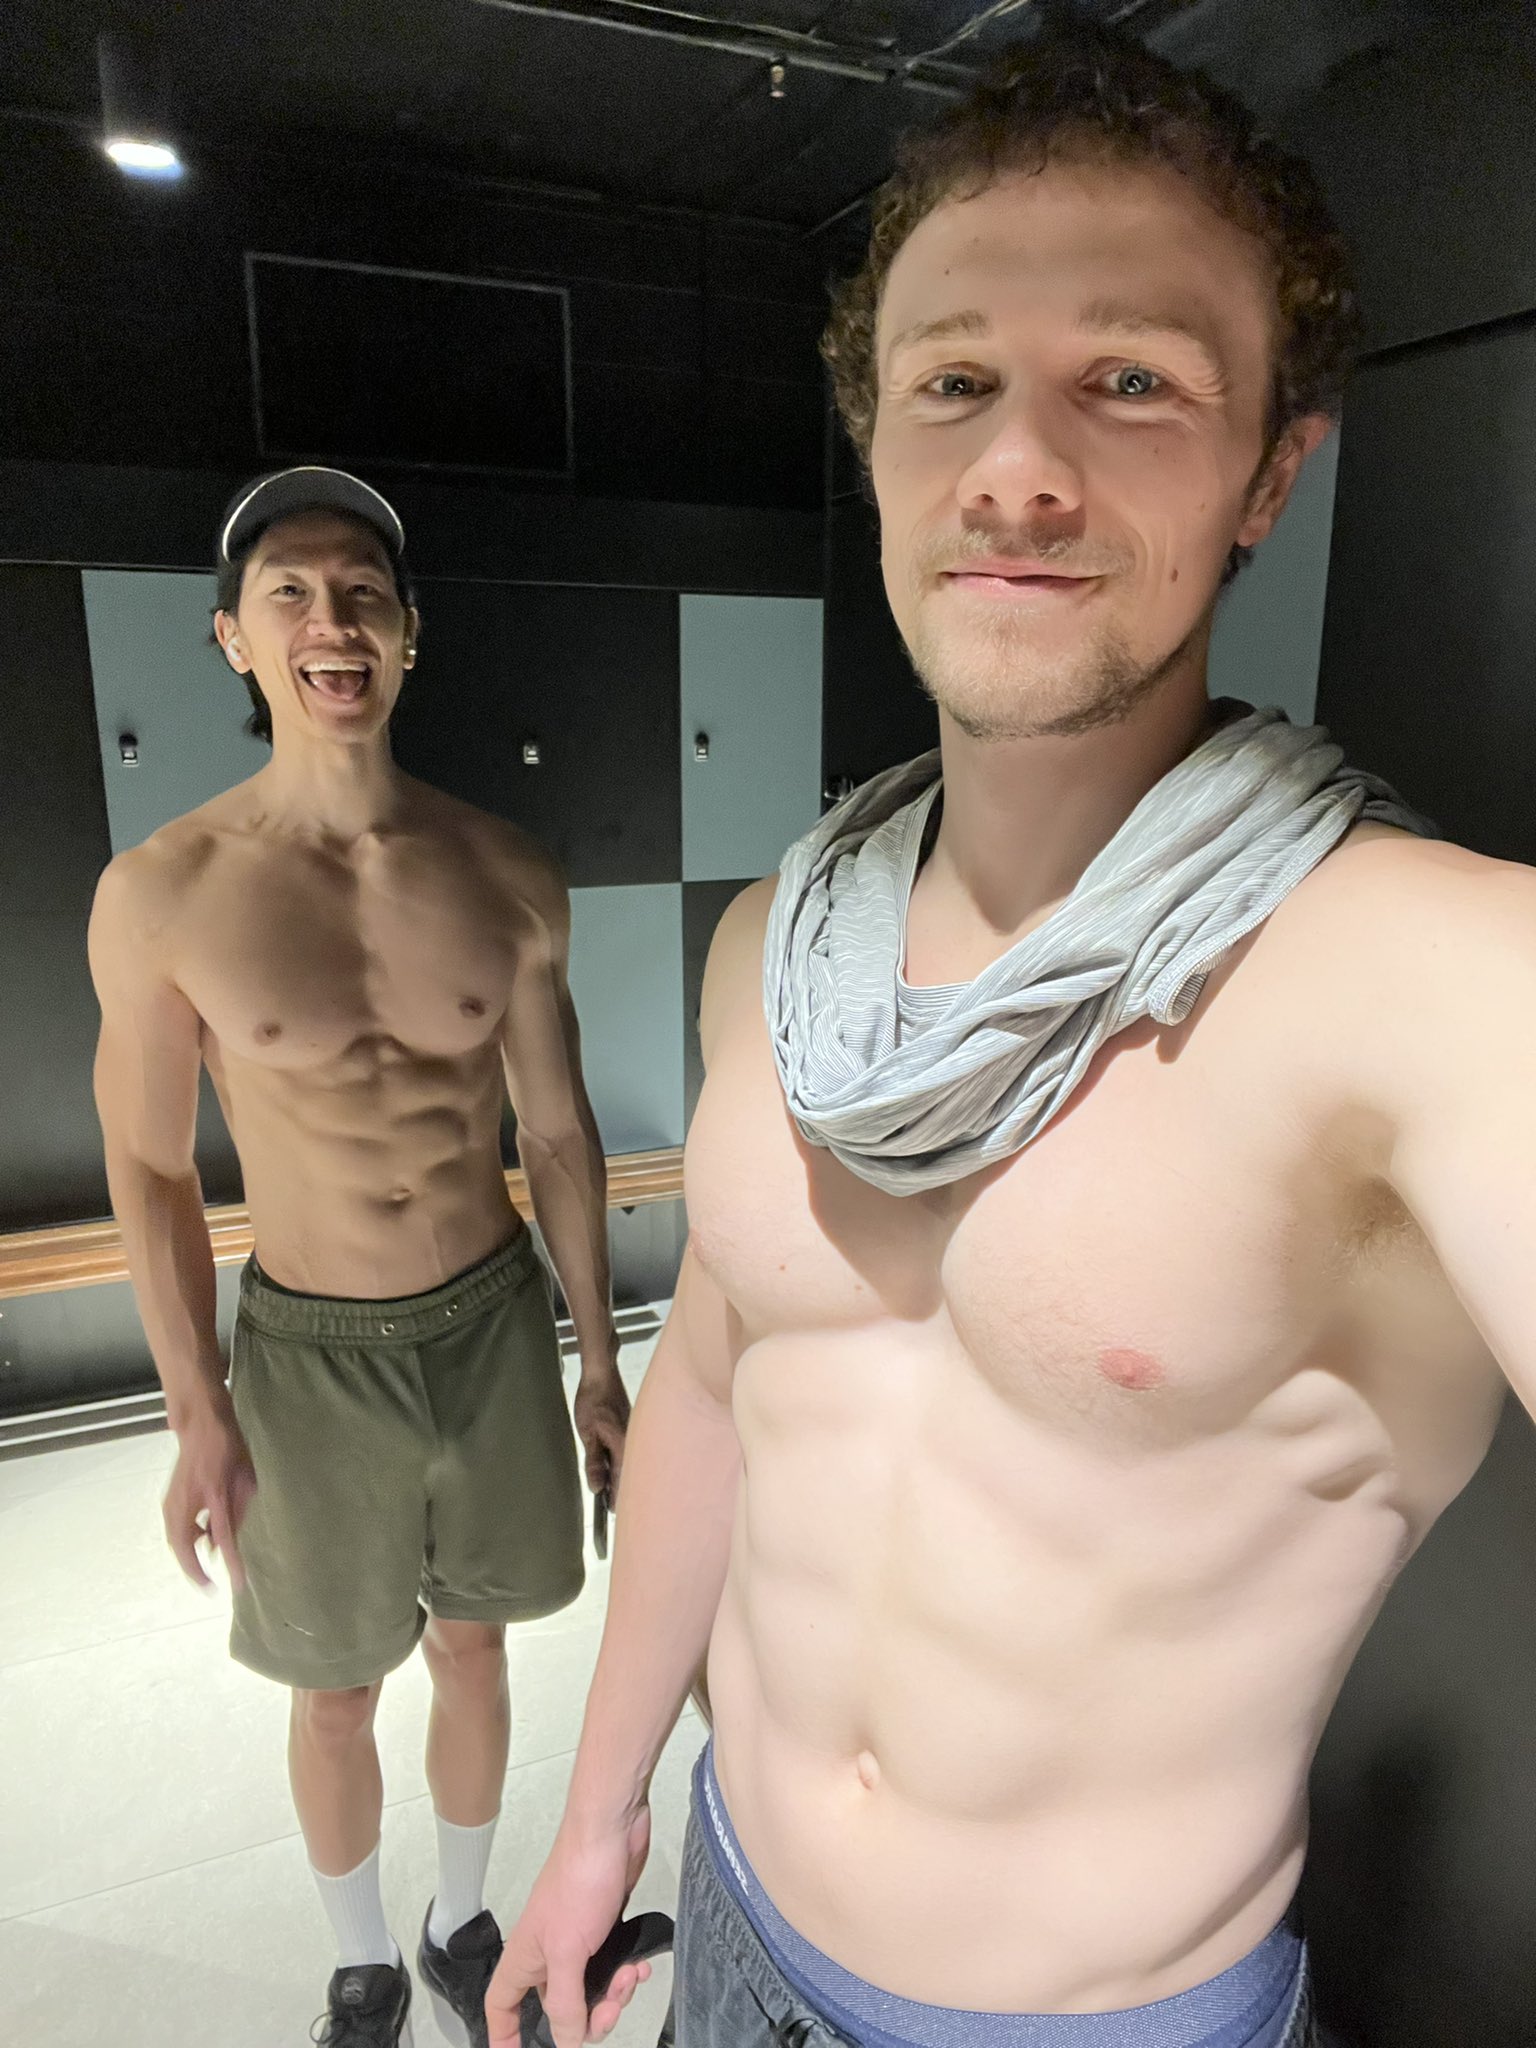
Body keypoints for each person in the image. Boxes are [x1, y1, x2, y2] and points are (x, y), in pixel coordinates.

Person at [485, 22, 1536, 2048]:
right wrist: (597, 1821)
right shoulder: (779, 943)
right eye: (953, 380)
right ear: (874, 436)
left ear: (1272, 469)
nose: (1020, 468)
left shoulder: (1437, 983)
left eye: (1132, 381)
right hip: (726, 1905)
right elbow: (714, 1383)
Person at [88, 467, 632, 2048]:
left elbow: (559, 1134)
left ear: (408, 634)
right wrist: (196, 1407)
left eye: (362, 595)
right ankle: (361, 1968)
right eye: (291, 596)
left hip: (492, 1322)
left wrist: (601, 1364)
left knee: (477, 1643)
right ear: (235, 642)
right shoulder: (165, 891)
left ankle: (460, 1927)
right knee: (333, 1688)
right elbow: (148, 1168)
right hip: (312, 1354)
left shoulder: (506, 869)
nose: (332, 623)